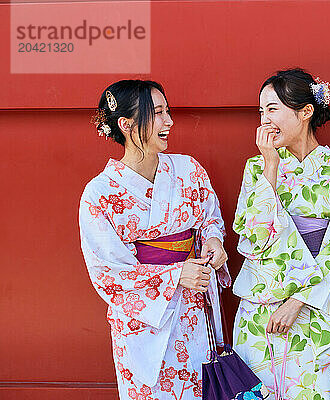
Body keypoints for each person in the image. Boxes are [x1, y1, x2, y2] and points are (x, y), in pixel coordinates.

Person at [79, 80, 230, 399]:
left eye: (167, 111)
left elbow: (210, 219)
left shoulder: (189, 170)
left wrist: (214, 241)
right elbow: (108, 274)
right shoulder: (101, 194)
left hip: (194, 310)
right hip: (143, 322)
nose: (169, 121)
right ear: (127, 124)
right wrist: (176, 275)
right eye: (158, 113)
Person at [232, 69, 330, 399]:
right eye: (261, 111)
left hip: (318, 304)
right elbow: (254, 236)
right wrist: (270, 166)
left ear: (306, 112)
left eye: (273, 108)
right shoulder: (257, 166)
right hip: (262, 306)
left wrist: (299, 299)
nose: (265, 119)